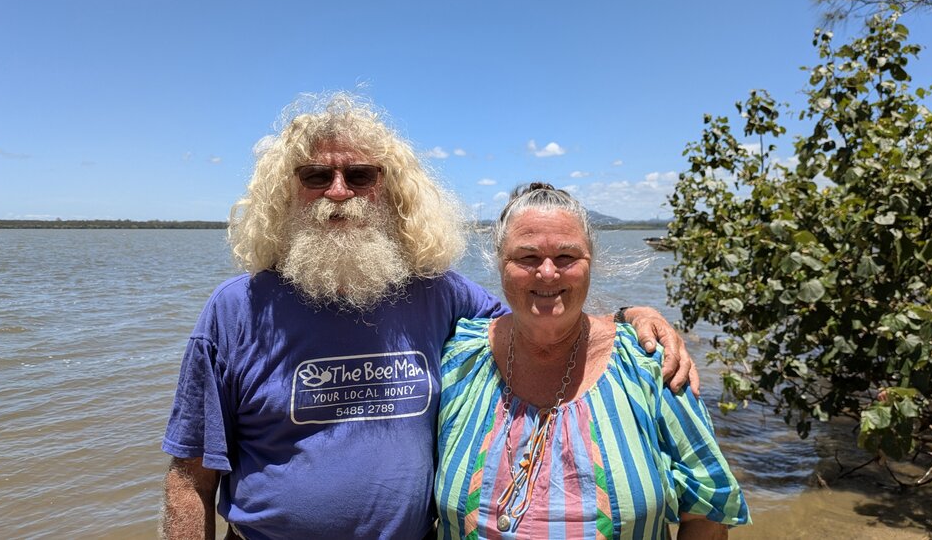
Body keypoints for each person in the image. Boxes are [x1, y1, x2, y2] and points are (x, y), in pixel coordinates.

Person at [159, 93, 697, 540]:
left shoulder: (437, 294)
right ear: (287, 191)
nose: (339, 191)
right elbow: (190, 479)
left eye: (361, 175)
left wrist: (629, 316)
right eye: (316, 175)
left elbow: (541, 315)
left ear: (389, 190)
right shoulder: (237, 311)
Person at [435, 183, 749, 539]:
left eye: (566, 256)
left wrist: (633, 315)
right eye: (527, 257)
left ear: (591, 262)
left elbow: (706, 515)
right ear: (499, 263)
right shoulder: (460, 358)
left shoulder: (648, 363)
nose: (548, 272)